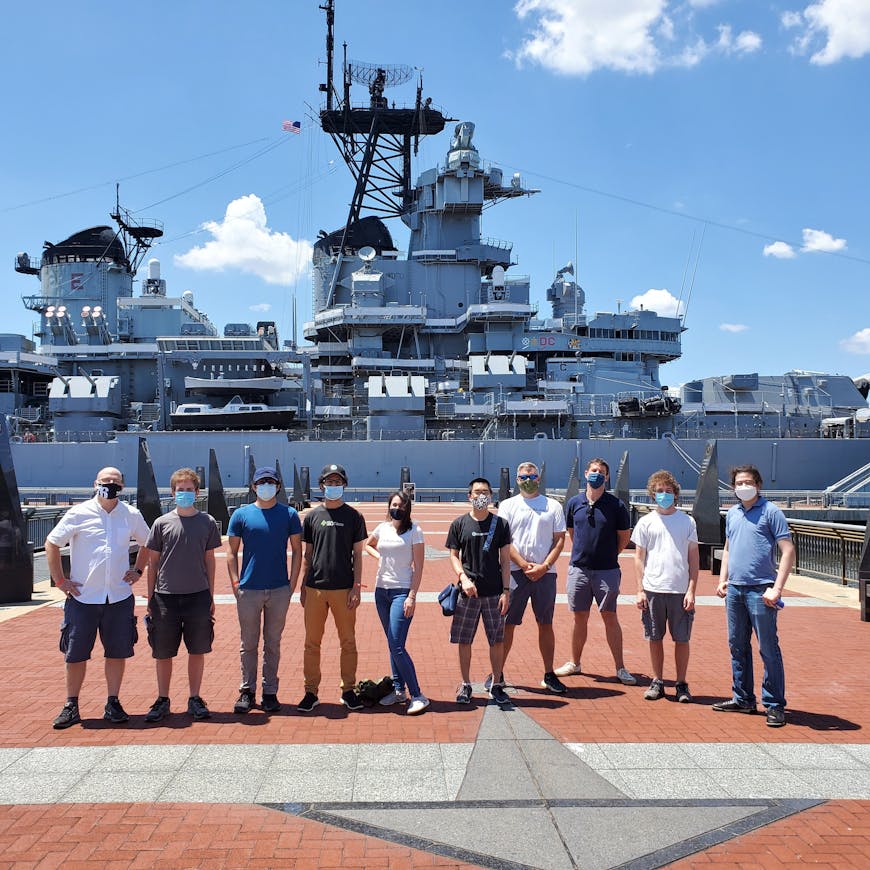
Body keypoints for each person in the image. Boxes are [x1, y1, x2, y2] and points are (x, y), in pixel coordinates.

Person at [45, 467, 150, 729]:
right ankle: (71, 704)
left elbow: (149, 542)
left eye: (115, 482)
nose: (110, 485)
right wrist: (60, 580)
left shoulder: (131, 515)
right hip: (83, 597)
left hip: (118, 596)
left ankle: (113, 702)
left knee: (117, 652)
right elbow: (52, 543)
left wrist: (138, 570)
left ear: (122, 487)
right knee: (75, 654)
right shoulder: (78, 513)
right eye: (106, 481)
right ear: (95, 484)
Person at [713, 465, 795, 727]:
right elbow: (727, 548)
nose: (743, 486)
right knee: (736, 645)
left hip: (762, 589)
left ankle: (774, 704)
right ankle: (743, 698)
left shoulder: (771, 512)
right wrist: (722, 579)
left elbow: (788, 550)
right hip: (735, 589)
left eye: (747, 482)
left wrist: (777, 588)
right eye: (738, 483)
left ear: (758, 485)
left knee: (768, 648)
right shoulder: (733, 513)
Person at [143, 468, 222, 722]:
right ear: (173, 492)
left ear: (197, 493)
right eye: (180, 490)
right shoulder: (161, 523)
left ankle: (194, 697)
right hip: (165, 596)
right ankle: (163, 698)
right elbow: (152, 563)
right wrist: (150, 597)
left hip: (197, 595)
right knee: (163, 652)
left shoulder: (207, 522)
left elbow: (210, 560)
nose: (185, 494)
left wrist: (211, 595)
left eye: (189, 490)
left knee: (197, 650)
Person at [226, 465, 302, 714]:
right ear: (253, 486)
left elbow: (297, 551)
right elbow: (231, 552)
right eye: (262, 482)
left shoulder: (289, 514)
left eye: (271, 482)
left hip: (279, 589)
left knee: (273, 643)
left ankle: (270, 692)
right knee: (248, 643)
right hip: (249, 589)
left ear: (278, 486)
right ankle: (247, 691)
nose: (266, 486)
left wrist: (292, 583)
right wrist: (236, 583)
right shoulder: (241, 515)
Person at [556, 458, 637, 685]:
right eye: (594, 470)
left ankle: (620, 668)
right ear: (586, 473)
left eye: (601, 471)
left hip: (607, 571)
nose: (597, 474)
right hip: (579, 570)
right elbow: (572, 531)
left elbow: (624, 536)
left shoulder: (616, 505)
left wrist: (610, 553)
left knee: (610, 617)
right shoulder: (574, 503)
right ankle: (574, 662)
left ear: (607, 477)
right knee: (579, 617)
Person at [297, 463, 367, 713]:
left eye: (338, 482)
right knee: (311, 642)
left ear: (344, 485)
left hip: (343, 588)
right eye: (330, 482)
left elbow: (358, 555)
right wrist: (303, 586)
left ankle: (348, 690)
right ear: (321, 485)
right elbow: (308, 554)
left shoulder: (354, 516)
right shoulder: (313, 516)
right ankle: (310, 691)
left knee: (348, 641)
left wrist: (357, 587)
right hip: (315, 588)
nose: (333, 486)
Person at [496, 461, 567, 694]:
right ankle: (498, 674)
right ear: (517, 480)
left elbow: (559, 540)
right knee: (507, 624)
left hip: (545, 574)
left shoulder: (553, 506)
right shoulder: (507, 505)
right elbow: (505, 541)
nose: (528, 480)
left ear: (539, 479)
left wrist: (544, 566)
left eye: (532, 476)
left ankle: (549, 673)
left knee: (545, 624)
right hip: (516, 573)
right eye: (523, 477)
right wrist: (525, 565)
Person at [632, 470, 699, 703]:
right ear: (652, 494)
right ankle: (658, 681)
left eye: (668, 491)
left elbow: (693, 558)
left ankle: (681, 684)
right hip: (652, 589)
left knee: (682, 639)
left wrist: (692, 590)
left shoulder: (687, 521)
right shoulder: (645, 522)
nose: (664, 495)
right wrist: (639, 589)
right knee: (654, 637)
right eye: (659, 491)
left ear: (676, 494)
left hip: (679, 590)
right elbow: (639, 557)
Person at [446, 477, 512, 707]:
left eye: (485, 492)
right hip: (468, 594)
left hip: (494, 592)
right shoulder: (459, 524)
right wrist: (463, 579)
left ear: (491, 496)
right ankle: (465, 684)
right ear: (469, 496)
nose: (480, 495)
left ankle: (496, 684)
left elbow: (505, 560)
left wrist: (506, 591)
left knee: (497, 640)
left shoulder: (501, 524)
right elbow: (454, 556)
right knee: (464, 641)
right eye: (476, 492)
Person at [365, 491, 428, 715]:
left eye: (401, 505)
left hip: (402, 591)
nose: (397, 508)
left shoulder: (415, 531)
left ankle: (418, 694)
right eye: (394, 504)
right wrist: (379, 557)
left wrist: (412, 596)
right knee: (392, 643)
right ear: (388, 506)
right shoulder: (383, 528)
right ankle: (399, 690)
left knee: (397, 645)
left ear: (407, 508)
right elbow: (368, 544)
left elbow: (419, 567)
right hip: (381, 591)